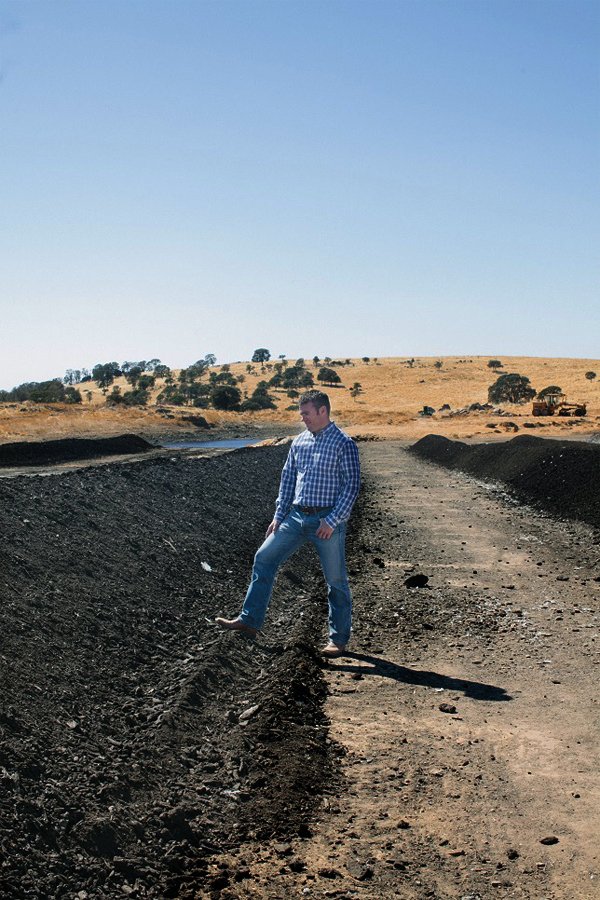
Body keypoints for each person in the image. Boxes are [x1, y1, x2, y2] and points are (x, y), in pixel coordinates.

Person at [216, 389, 361, 657]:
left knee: (336, 580)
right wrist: (278, 516)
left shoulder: (344, 443)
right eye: (301, 413)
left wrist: (331, 521)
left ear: (322, 411)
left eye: (306, 413)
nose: (302, 418)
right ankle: (249, 620)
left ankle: (338, 640)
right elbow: (287, 480)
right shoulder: (299, 442)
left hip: (326, 520)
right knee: (264, 558)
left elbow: (351, 487)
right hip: (295, 517)